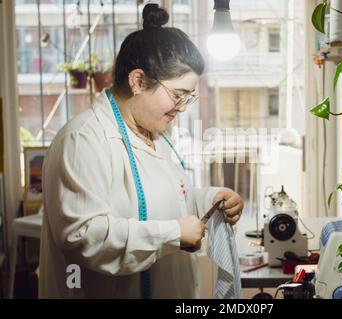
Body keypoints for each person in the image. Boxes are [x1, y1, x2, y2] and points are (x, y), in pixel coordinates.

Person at [39, 3, 244, 299]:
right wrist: (174, 233)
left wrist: (208, 200)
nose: (182, 108)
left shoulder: (155, 131)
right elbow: (85, 236)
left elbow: (165, 199)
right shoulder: (84, 140)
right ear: (137, 81)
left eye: (189, 98)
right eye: (178, 95)